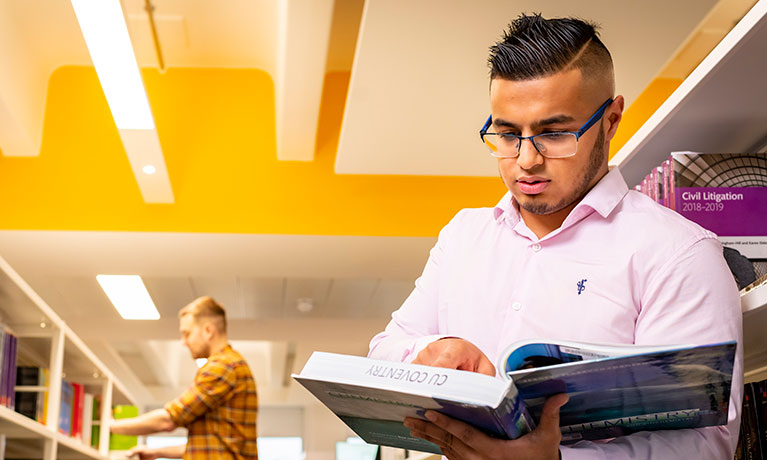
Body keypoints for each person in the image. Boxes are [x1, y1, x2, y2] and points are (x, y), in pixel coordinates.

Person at [369, 13, 742, 460]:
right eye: (507, 134)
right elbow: (384, 352)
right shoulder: (463, 236)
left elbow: (705, 446)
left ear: (611, 119)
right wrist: (433, 351)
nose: (526, 160)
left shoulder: (679, 254)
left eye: (554, 133)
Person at [110, 296, 258, 460]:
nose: (184, 342)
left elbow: (168, 420)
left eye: (187, 334)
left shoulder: (222, 366)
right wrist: (157, 452)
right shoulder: (232, 363)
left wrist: (110, 425)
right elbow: (210, 446)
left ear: (208, 331)